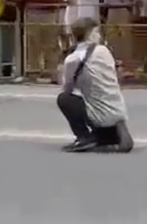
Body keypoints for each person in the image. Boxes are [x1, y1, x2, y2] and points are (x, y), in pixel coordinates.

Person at [57, 17, 133, 153]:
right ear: (90, 34)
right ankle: (109, 135)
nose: (99, 36)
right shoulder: (104, 51)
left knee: (65, 99)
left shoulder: (72, 59)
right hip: (118, 111)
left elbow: (67, 88)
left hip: (99, 116)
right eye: (97, 32)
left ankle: (84, 137)